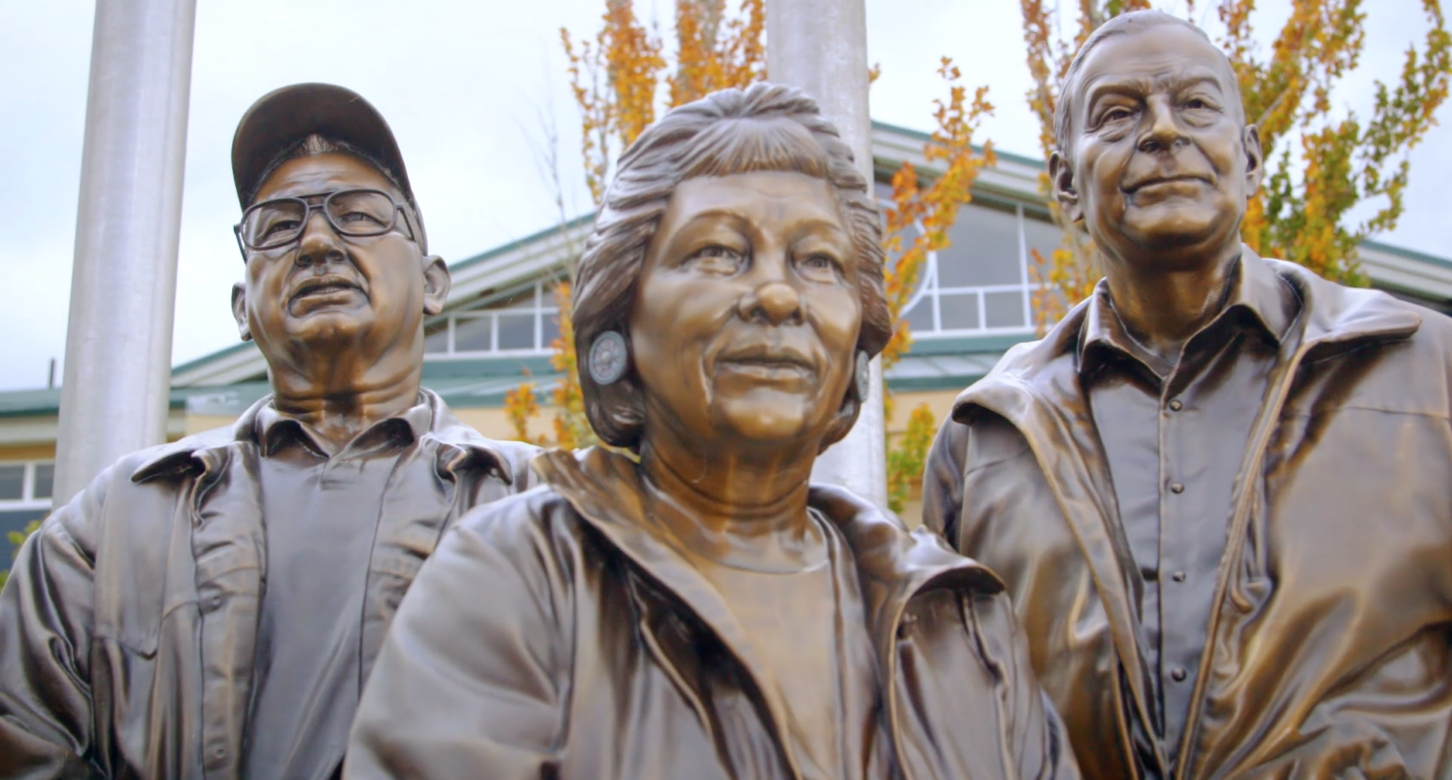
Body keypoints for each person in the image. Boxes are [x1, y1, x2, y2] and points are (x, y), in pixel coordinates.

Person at [345, 83, 1078, 780]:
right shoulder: (516, 576)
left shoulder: (957, 615)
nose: (778, 294)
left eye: (817, 261)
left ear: (857, 343)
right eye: (718, 252)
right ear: (619, 324)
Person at [923, 10, 1452, 779]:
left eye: (1196, 105)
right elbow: (956, 717)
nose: (1164, 132)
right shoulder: (984, 438)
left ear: (1251, 156)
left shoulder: (1427, 373)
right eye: (1118, 114)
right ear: (1066, 184)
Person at [0, 83, 538, 779]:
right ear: (241, 306)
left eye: (360, 215)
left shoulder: (548, 507)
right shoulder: (109, 528)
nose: (316, 240)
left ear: (434, 284)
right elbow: (22, 741)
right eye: (278, 226)